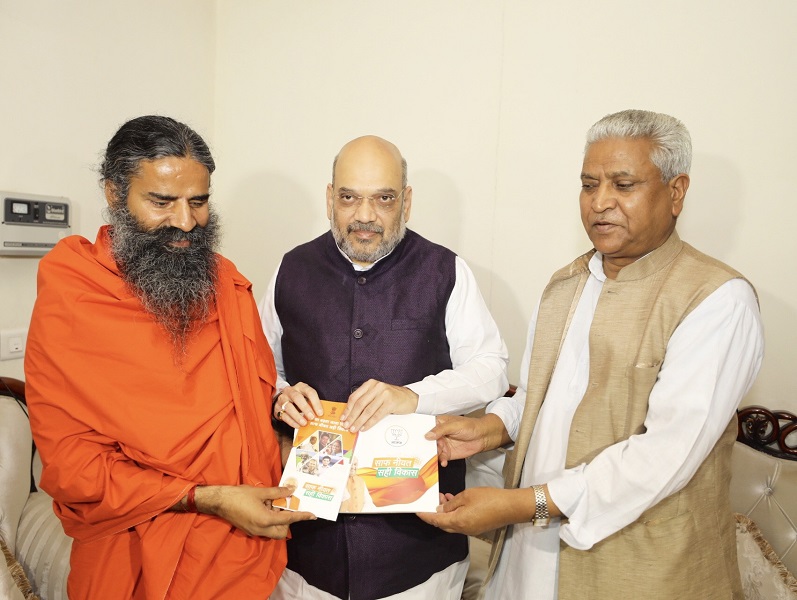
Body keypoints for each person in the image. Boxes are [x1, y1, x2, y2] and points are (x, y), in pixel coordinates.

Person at [420, 109, 765, 600]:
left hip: (640, 566)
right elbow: (542, 398)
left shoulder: (717, 299)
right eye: (588, 185)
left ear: (676, 192)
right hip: (527, 555)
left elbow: (663, 455)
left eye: (623, 185)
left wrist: (521, 504)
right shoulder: (568, 282)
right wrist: (489, 428)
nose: (601, 202)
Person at [24, 115, 314, 600]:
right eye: (162, 202)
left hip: (242, 549)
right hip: (132, 553)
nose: (185, 222)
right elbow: (73, 466)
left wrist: (288, 409)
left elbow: (248, 405)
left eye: (198, 202)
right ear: (115, 193)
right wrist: (211, 498)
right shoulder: (75, 290)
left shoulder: (223, 280)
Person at [259, 135, 509, 600]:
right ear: (330, 198)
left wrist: (413, 397)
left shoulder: (446, 271)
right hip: (307, 557)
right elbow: (256, 368)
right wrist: (279, 393)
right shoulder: (290, 269)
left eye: (384, 199)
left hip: (419, 561)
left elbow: (491, 367)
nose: (365, 216)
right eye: (349, 197)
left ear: (407, 201)